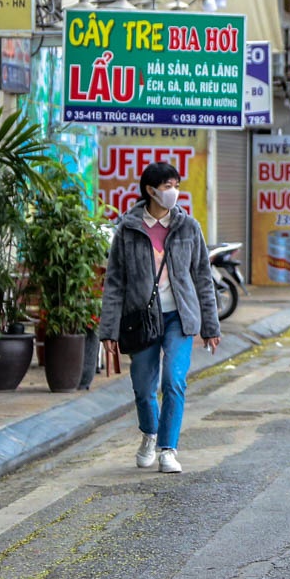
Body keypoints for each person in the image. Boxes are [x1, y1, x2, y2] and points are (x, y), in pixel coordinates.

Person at [99, 161, 222, 474]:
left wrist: (210, 326)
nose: (173, 192)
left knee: (173, 381)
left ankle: (168, 448)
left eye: (176, 185)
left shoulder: (188, 227)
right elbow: (114, 283)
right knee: (143, 387)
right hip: (141, 319)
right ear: (150, 190)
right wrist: (108, 331)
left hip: (179, 317)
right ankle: (149, 434)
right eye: (167, 186)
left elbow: (203, 278)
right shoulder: (127, 229)